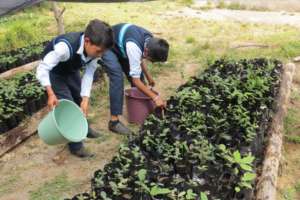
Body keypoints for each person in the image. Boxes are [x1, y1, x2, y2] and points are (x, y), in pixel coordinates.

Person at [36, 19, 113, 158]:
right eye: (99, 51)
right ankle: (76, 147)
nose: (100, 55)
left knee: (79, 98)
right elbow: (43, 68)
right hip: (54, 73)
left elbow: (89, 74)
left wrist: (85, 99)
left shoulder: (94, 50)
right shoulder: (64, 48)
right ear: (87, 41)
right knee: (68, 106)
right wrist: (50, 93)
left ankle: (85, 129)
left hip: (70, 70)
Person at [101, 23, 169, 134]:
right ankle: (114, 122)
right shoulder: (134, 46)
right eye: (152, 60)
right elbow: (135, 81)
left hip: (123, 46)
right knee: (117, 76)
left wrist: (148, 76)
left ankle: (141, 110)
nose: (151, 62)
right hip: (109, 46)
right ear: (148, 52)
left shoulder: (150, 40)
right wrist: (156, 97)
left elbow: (140, 57)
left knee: (142, 82)